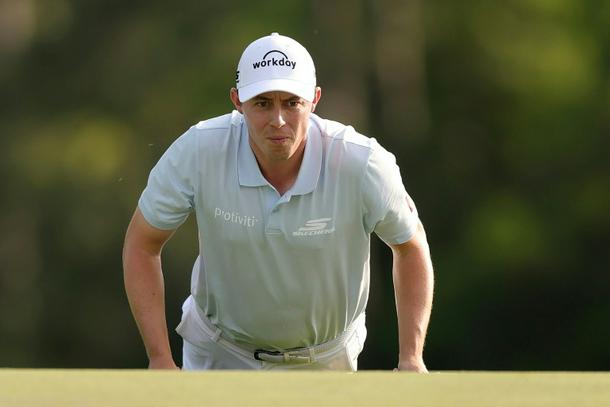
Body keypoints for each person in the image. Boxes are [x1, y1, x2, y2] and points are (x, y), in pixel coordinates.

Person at [123, 32, 434, 372]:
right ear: (237, 100)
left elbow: (410, 246)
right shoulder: (198, 150)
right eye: (262, 103)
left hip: (327, 358)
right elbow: (142, 243)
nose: (278, 120)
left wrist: (411, 357)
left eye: (291, 102)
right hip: (219, 352)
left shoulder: (362, 162)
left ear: (314, 100)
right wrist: (159, 358)